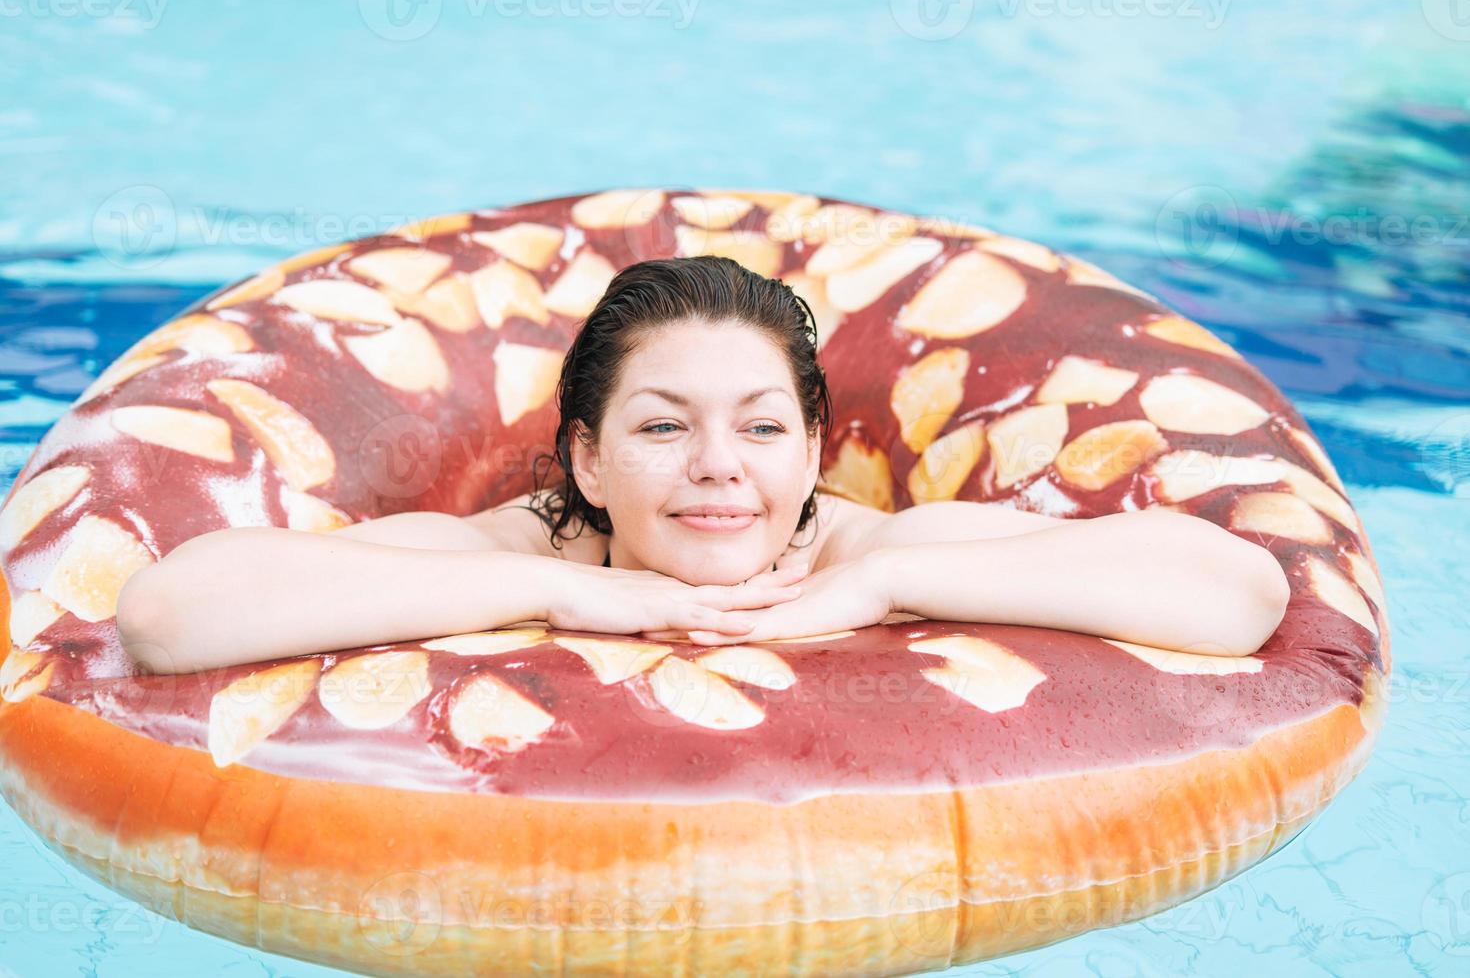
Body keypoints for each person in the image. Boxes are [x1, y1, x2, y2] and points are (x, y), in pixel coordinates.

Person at [117, 256, 1291, 675]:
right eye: (664, 426)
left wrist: (877, 592)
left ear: (817, 450)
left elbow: (1241, 593)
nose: (719, 468)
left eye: (764, 427)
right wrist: (559, 591)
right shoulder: (524, 546)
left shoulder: (874, 549)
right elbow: (170, 615)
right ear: (586, 455)